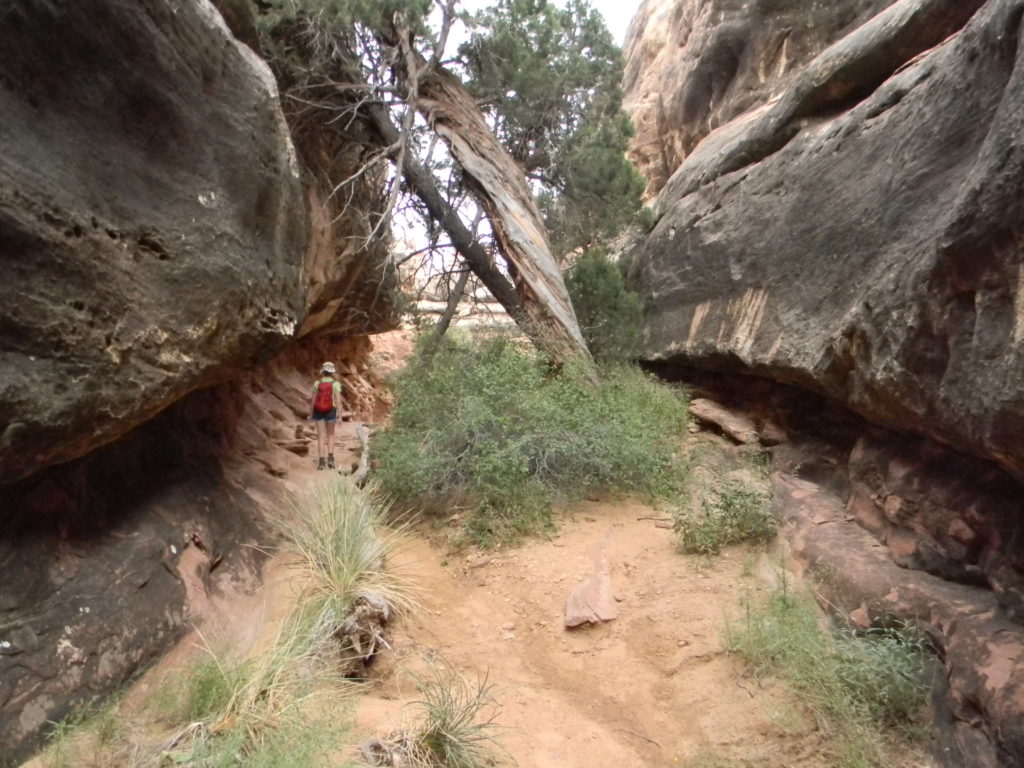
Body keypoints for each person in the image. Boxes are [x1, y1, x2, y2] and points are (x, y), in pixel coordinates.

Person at [309, 362, 343, 470]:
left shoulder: (317, 383)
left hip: (318, 410)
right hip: (330, 410)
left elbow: (313, 401)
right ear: (332, 372)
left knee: (321, 436)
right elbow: (338, 401)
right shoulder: (335, 384)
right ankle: (331, 460)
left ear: (323, 371)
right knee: (331, 435)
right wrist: (340, 416)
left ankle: (321, 462)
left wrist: (311, 414)